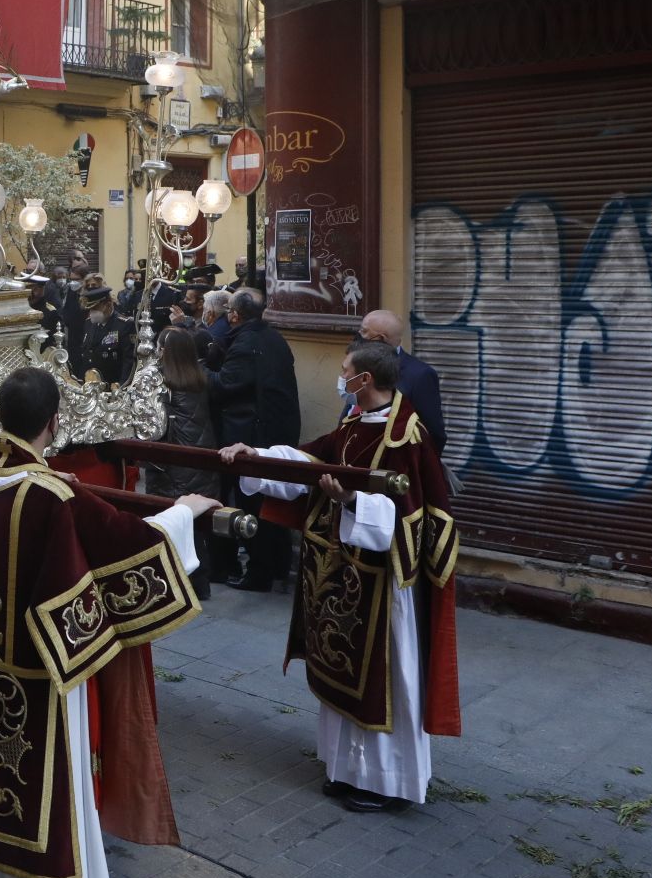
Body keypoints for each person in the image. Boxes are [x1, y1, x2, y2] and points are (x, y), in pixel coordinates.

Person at [0, 368, 213, 878]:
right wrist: (184, 512)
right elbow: (127, 541)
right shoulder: (49, 495)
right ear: (55, 422)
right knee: (43, 793)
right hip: (37, 682)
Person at [220, 340, 460, 813]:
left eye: (345, 370)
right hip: (341, 579)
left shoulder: (407, 437)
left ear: (365, 380)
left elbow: (415, 518)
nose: (341, 377)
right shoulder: (355, 422)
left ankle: (388, 783)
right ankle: (345, 769)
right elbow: (311, 461)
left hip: (384, 587)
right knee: (341, 671)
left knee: (382, 682)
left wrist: (352, 501)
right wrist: (255, 456)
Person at [207, 288, 300, 590]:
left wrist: (199, 371)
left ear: (234, 314)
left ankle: (260, 572)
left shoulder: (247, 342)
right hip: (275, 431)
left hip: (250, 434)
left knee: (253, 504)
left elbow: (226, 383)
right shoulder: (274, 338)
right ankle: (277, 566)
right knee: (272, 502)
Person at [146, 328, 222, 600]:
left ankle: (172, 581)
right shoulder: (199, 377)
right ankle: (200, 582)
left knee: (171, 517)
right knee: (195, 524)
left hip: (173, 461)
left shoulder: (163, 383)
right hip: (201, 455)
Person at [358, 309, 447, 453]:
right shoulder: (359, 363)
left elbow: (434, 435)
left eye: (364, 331)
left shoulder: (419, 375)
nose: (359, 336)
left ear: (380, 339)